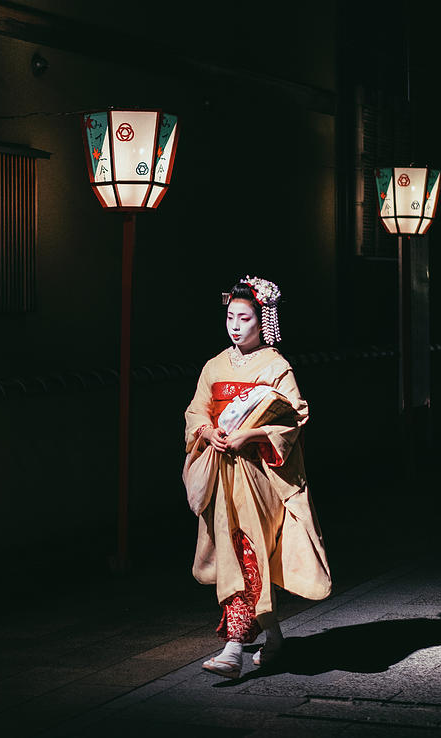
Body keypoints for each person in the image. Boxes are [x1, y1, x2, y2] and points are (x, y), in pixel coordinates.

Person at [183, 275, 332, 678]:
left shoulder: (275, 365)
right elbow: (196, 411)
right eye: (230, 316)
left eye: (244, 317)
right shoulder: (214, 366)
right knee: (238, 552)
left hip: (257, 474)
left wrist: (250, 434)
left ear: (262, 319)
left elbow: (294, 415)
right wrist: (206, 431)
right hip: (222, 475)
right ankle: (276, 637)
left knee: (244, 551)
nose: (235, 325)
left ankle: (233, 648)